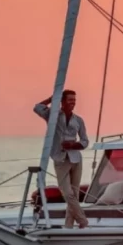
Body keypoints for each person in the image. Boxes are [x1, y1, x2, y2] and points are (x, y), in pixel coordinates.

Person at [33, 89, 90, 228]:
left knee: (74, 194)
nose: (73, 102)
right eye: (70, 100)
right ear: (62, 101)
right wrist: (52, 98)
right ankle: (83, 220)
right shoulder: (52, 115)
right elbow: (37, 108)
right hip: (60, 159)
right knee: (67, 193)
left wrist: (73, 145)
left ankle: (68, 226)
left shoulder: (78, 120)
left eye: (74, 100)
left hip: (76, 159)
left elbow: (85, 141)